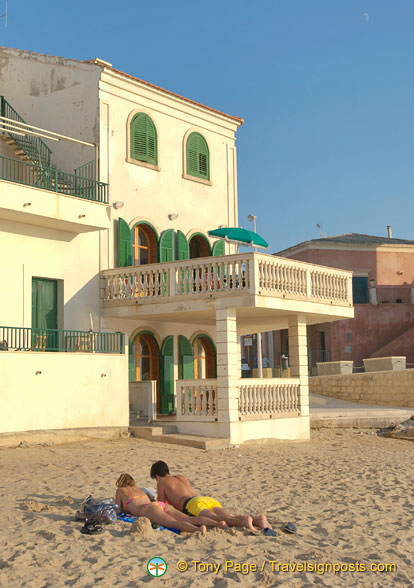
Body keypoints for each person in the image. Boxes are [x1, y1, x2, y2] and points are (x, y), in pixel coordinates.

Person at [150, 461, 276, 536]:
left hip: (192, 504)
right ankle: (257, 520)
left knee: (214, 519)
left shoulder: (161, 481)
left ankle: (244, 522)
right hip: (204, 499)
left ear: (157, 475)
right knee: (229, 517)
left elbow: (161, 503)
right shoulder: (180, 477)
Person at [115, 473, 227, 534]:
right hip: (161, 505)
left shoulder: (121, 491)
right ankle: (217, 524)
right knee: (188, 519)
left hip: (148, 509)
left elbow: (118, 510)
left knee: (174, 523)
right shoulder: (139, 489)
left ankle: (197, 530)